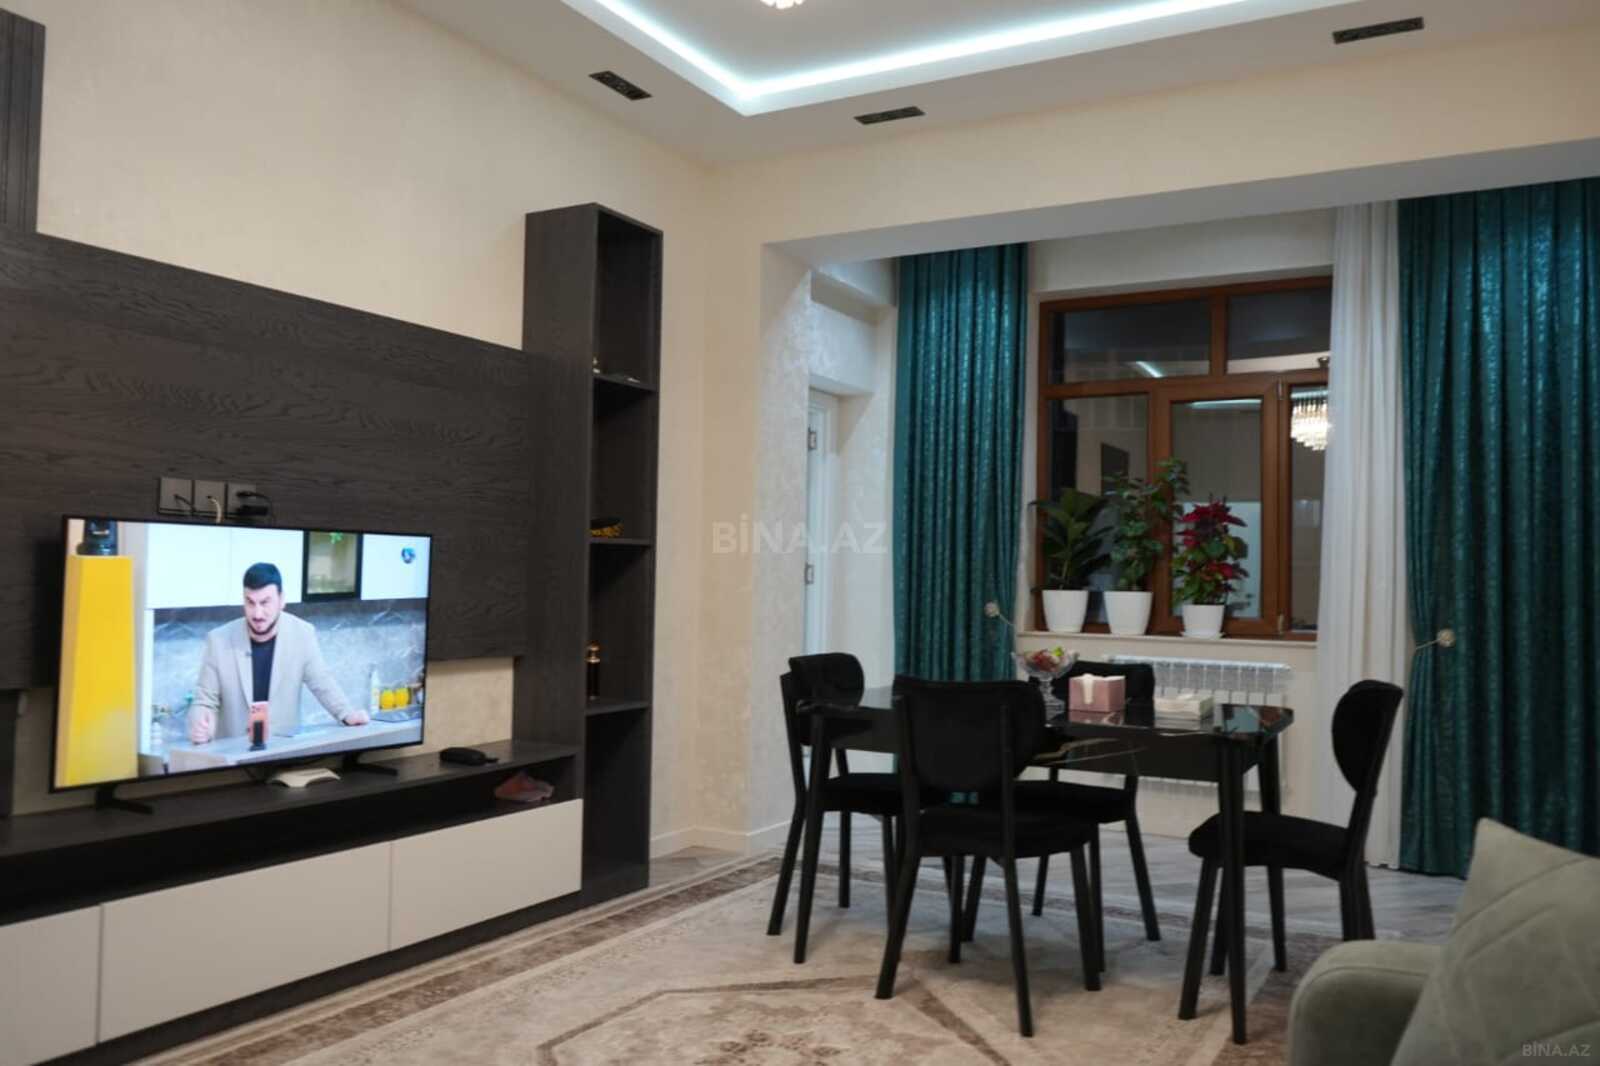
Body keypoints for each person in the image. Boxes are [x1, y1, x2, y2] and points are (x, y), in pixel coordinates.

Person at [187, 562, 369, 743]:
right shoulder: (219, 640)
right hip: (234, 756)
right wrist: (201, 726)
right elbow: (204, 702)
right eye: (250, 603)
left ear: (281, 600)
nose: (257, 614)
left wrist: (347, 714)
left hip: (282, 752)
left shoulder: (302, 634)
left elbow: (322, 682)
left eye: (265, 603)